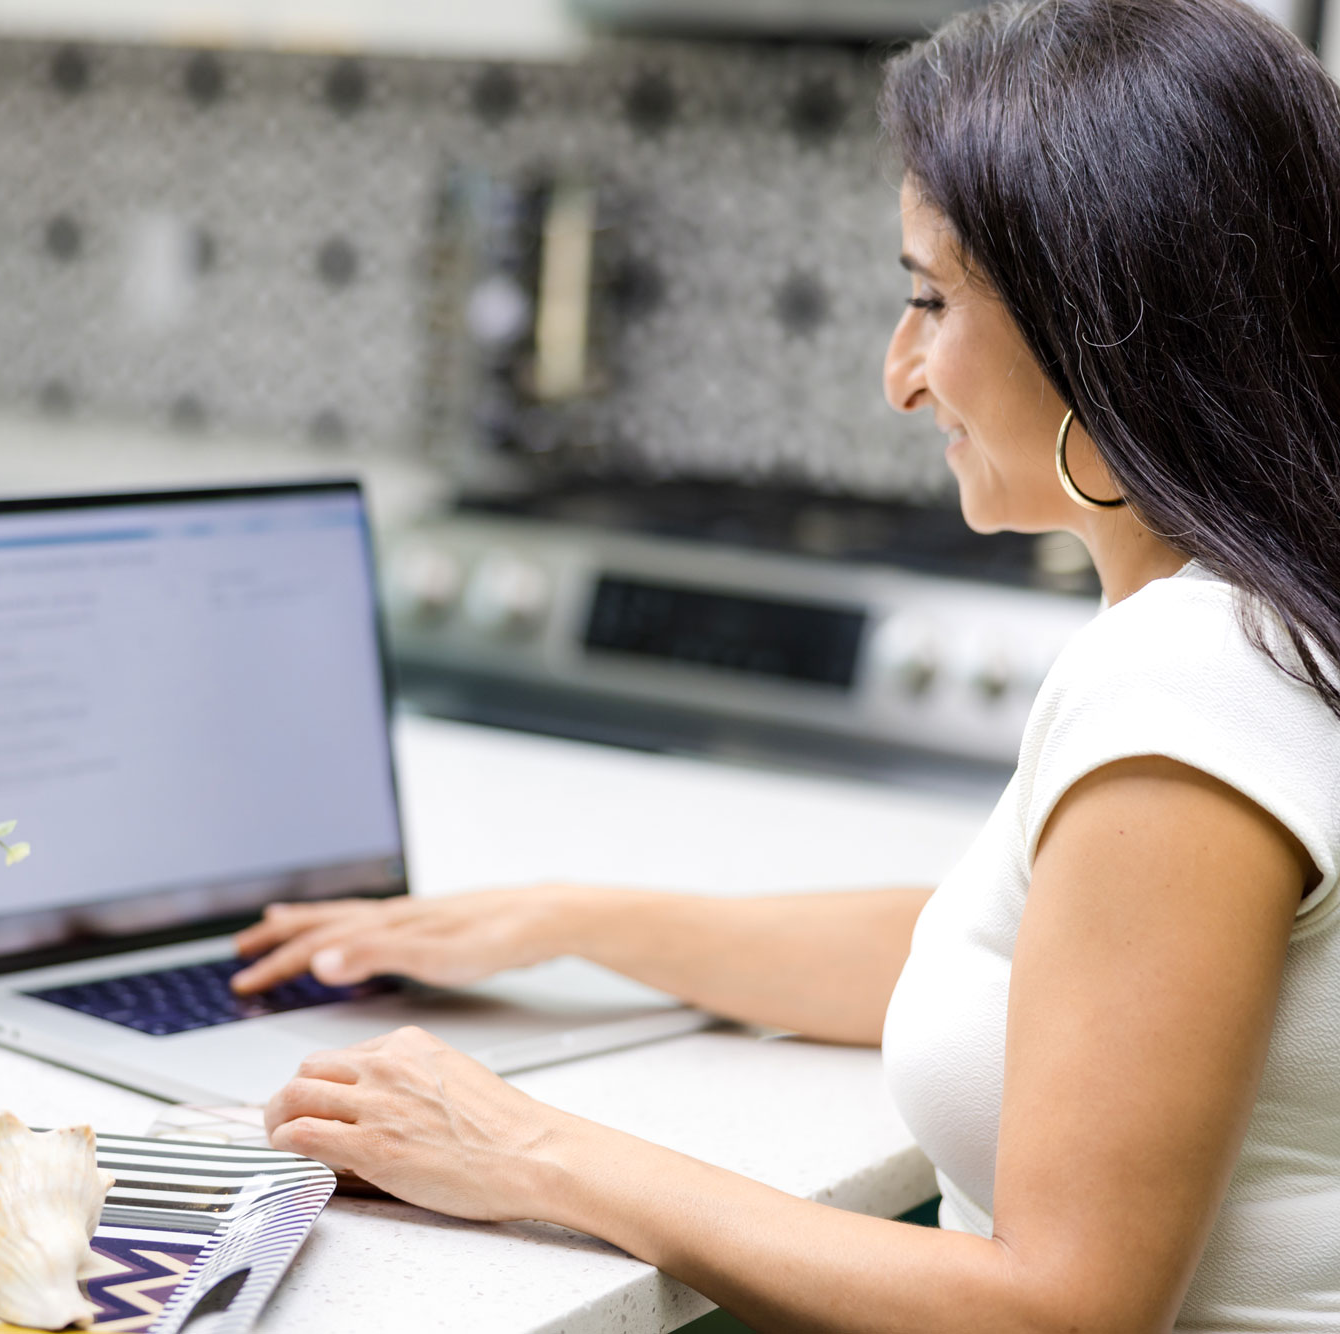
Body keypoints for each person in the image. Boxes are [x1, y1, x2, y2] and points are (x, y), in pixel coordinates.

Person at [228, 1, 1340, 1327]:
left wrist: (530, 1151)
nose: (900, 373)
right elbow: (1024, 960)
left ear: (1097, 323)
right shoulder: (1258, 616)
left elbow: (1065, 1308)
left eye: (931, 299)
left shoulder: (1188, 677)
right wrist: (571, 920)